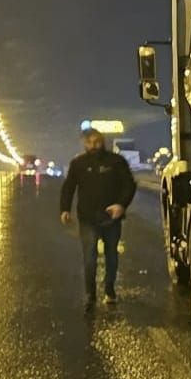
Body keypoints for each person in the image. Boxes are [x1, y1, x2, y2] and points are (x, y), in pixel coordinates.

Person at [60, 129, 137, 306]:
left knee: (111, 255)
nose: (93, 145)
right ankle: (90, 294)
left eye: (97, 142)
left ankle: (109, 290)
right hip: (87, 218)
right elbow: (69, 187)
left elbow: (129, 185)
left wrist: (121, 205)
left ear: (103, 141)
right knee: (89, 256)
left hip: (111, 218)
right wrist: (64, 209)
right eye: (89, 142)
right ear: (84, 143)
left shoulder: (116, 162)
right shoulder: (78, 163)